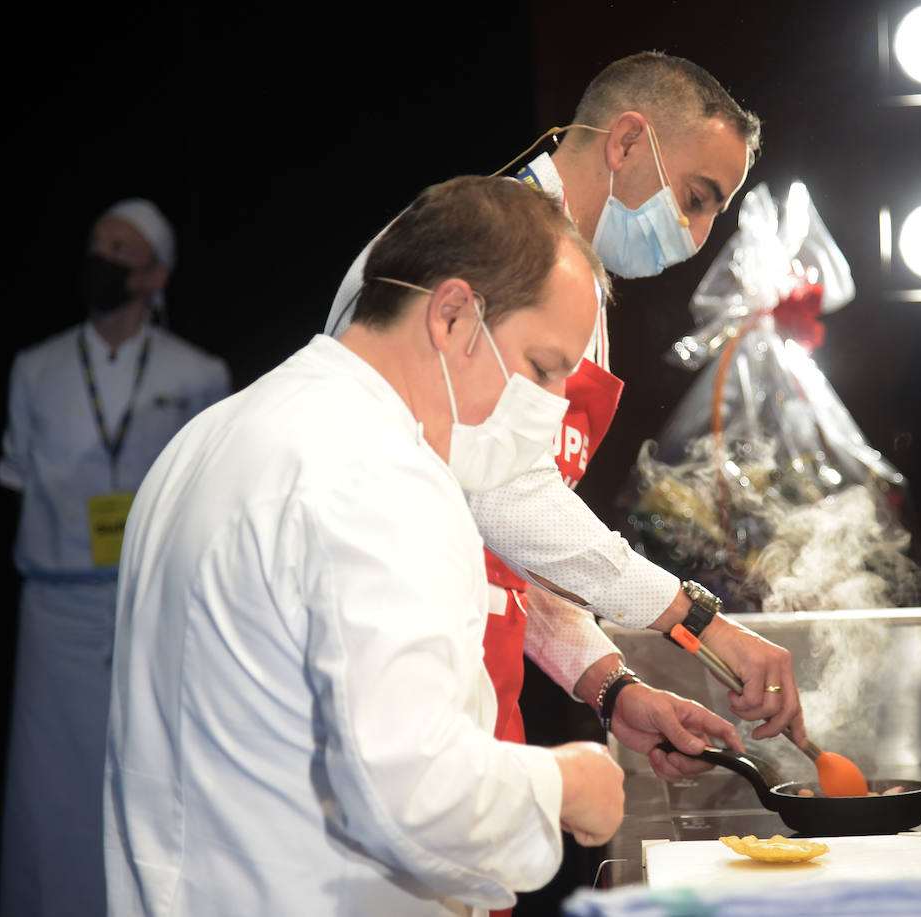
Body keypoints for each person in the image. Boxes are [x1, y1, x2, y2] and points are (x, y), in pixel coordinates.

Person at [105, 176, 739, 916]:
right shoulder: (382, 475)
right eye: (542, 368)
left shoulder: (217, 433)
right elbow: (410, 793)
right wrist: (567, 784)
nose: (548, 409)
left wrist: (609, 687)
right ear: (453, 315)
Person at [326, 53, 805, 785]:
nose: (700, 234)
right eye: (696, 197)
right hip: (387, 667)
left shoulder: (574, 278)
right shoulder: (484, 247)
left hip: (474, 670)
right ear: (626, 142)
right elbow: (500, 495)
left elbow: (514, 542)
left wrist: (610, 684)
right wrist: (696, 620)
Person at [0, 198, 230, 917]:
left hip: (149, 609)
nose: (101, 259)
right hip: (55, 614)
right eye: (95, 243)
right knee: (48, 785)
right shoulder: (35, 369)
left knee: (145, 773)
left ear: (155, 274)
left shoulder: (198, 374)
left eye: (120, 250)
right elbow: (16, 476)